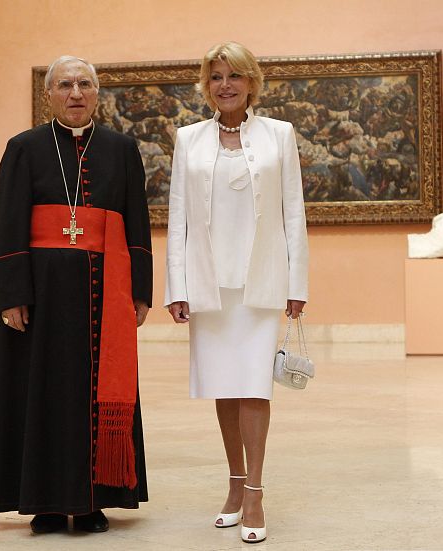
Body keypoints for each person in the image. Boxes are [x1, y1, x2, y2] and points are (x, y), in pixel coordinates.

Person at [0, 55, 153, 535]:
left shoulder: (121, 149)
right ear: (49, 94)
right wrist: (11, 294)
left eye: (84, 84)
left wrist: (140, 290)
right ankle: (46, 503)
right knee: (41, 393)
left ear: (97, 93)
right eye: (65, 85)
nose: (75, 93)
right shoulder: (24, 147)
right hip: (41, 295)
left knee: (92, 394)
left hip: (103, 292)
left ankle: (93, 500)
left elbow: (135, 222)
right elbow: (8, 223)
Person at [164, 41, 309, 544]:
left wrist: (298, 283)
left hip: (262, 283)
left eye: (234, 76)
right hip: (209, 284)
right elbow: (178, 217)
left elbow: (294, 213)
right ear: (207, 86)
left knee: (254, 384)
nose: (225, 85)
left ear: (252, 83)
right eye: (216, 77)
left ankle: (255, 491)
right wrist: (176, 286)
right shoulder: (188, 139)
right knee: (223, 386)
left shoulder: (279, 135)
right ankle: (233, 483)